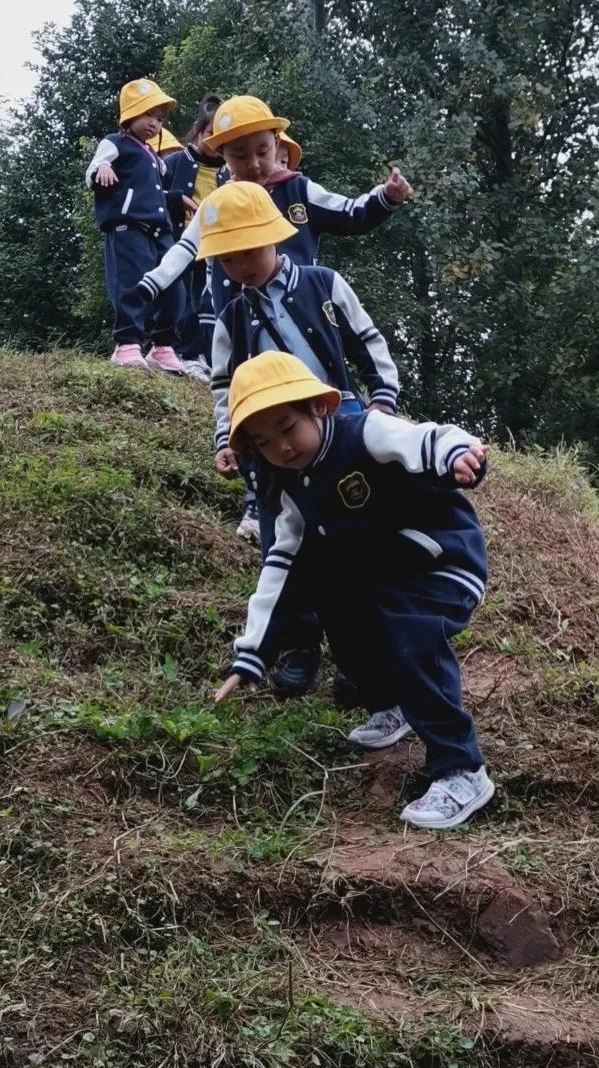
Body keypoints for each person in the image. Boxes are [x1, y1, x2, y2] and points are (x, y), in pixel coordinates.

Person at [215, 351, 495, 831]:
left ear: (318, 408)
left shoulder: (363, 432)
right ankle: (393, 703)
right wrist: (253, 652)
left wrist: (457, 456)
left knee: (412, 634)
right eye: (263, 442)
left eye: (287, 428)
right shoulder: (291, 487)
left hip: (441, 560)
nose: (281, 448)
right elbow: (279, 567)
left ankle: (462, 769)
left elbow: (427, 438)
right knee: (334, 603)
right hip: (382, 574)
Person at [132, 94, 411, 530]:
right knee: (262, 416)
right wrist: (150, 285)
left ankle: (359, 509)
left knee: (323, 421)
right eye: (239, 155)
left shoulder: (300, 196)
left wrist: (386, 198)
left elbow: (349, 213)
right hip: (244, 323)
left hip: (304, 313)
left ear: (278, 144)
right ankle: (262, 505)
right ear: (219, 153)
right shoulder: (216, 208)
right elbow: (185, 250)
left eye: (262, 151)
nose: (255, 163)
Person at [199, 180, 400, 698]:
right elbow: (224, 386)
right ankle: (297, 648)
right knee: (283, 547)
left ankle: (362, 660)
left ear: (274, 235)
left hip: (341, 432)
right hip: (272, 452)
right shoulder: (232, 319)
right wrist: (228, 438)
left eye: (248, 250)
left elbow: (367, 340)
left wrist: (382, 399)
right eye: (227, 258)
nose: (240, 265)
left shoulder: (324, 284)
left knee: (355, 543)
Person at [85, 78, 189, 373]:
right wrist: (103, 168)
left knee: (173, 286)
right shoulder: (115, 143)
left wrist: (177, 199)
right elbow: (94, 169)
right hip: (128, 228)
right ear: (129, 114)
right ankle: (127, 343)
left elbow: (152, 192)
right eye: (147, 115)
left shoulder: (155, 158)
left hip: (160, 232)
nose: (154, 123)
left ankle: (163, 345)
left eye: (159, 118)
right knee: (131, 285)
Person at [163, 94, 226, 381]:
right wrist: (179, 201)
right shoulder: (176, 161)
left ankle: (203, 356)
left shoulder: (229, 171)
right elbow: (153, 195)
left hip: (214, 245)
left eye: (220, 136)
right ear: (198, 130)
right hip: (180, 241)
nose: (213, 141)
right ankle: (179, 352)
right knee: (179, 297)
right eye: (209, 133)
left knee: (207, 302)